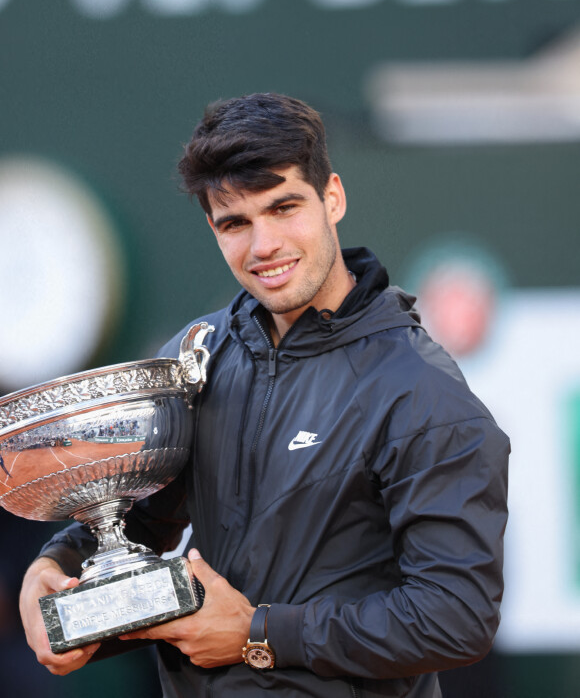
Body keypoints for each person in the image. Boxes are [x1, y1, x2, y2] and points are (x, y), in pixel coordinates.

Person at [19, 93, 510, 697]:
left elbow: (456, 619)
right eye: (236, 223)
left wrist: (259, 634)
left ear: (332, 197)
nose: (264, 246)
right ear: (212, 228)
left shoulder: (420, 392)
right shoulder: (197, 355)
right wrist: (58, 570)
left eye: (284, 208)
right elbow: (140, 518)